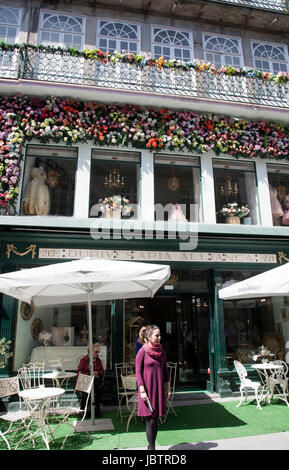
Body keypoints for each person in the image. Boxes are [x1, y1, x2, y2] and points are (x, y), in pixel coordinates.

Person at [136, 325, 170, 450]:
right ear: (149, 337)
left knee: (155, 420)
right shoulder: (142, 351)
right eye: (156, 335)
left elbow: (165, 370)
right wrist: (142, 390)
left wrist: (168, 388)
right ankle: (152, 448)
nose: (159, 337)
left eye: (160, 335)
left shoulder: (161, 351)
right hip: (147, 390)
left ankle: (151, 447)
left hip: (159, 389)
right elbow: (138, 372)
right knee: (150, 420)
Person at [77, 342, 104, 417]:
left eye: (98, 352)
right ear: (90, 351)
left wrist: (97, 373)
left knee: (98, 389)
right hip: (85, 382)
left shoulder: (99, 360)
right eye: (96, 352)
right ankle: (82, 410)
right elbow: (79, 372)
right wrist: (89, 374)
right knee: (87, 391)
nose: (97, 353)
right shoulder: (83, 360)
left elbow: (102, 371)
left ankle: (97, 409)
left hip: (96, 383)